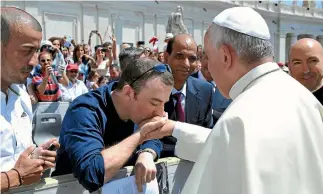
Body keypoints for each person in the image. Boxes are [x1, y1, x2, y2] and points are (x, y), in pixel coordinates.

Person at [141, 7, 323, 194]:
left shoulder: (237, 118)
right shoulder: (306, 99)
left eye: (208, 57)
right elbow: (236, 149)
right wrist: (175, 128)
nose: (208, 67)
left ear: (226, 56)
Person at [52, 58, 174, 193]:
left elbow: (153, 138)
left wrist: (147, 153)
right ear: (129, 93)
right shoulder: (83, 110)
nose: (161, 112)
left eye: (164, 103)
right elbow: (92, 175)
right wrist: (140, 135)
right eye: (155, 103)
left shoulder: (140, 112)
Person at [1, 7, 59, 191]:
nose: (34, 62)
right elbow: (16, 173)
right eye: (27, 51)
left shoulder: (21, 95)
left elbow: (14, 155)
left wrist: (37, 154)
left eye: (36, 51)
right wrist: (14, 177)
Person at [161, 34, 214, 157]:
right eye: (179, 56)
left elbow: (206, 134)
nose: (186, 64)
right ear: (166, 57)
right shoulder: (149, 90)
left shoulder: (205, 90)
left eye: (192, 58)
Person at [288, 38, 323, 104]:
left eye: (312, 61)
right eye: (297, 63)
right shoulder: (280, 99)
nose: (306, 70)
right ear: (289, 66)